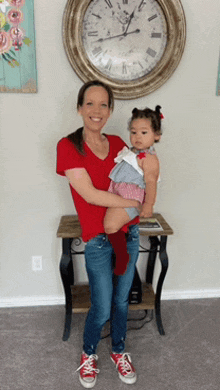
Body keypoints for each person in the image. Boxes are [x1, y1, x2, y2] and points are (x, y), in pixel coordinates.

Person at [56, 80, 141, 388]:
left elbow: (135, 179)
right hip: (97, 240)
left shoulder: (119, 143)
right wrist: (132, 202)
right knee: (102, 306)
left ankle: (118, 349)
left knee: (121, 302)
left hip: (128, 233)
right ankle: (88, 353)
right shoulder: (68, 146)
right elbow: (90, 194)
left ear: (110, 110)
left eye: (103, 104)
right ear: (79, 108)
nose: (96, 110)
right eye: (89, 103)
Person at [104, 106, 162, 275]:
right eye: (133, 132)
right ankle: (120, 251)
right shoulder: (134, 152)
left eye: (144, 133)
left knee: (110, 225)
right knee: (108, 222)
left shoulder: (149, 158)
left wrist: (148, 205)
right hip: (118, 192)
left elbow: (151, 183)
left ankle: (122, 256)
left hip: (131, 196)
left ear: (156, 135)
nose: (137, 137)